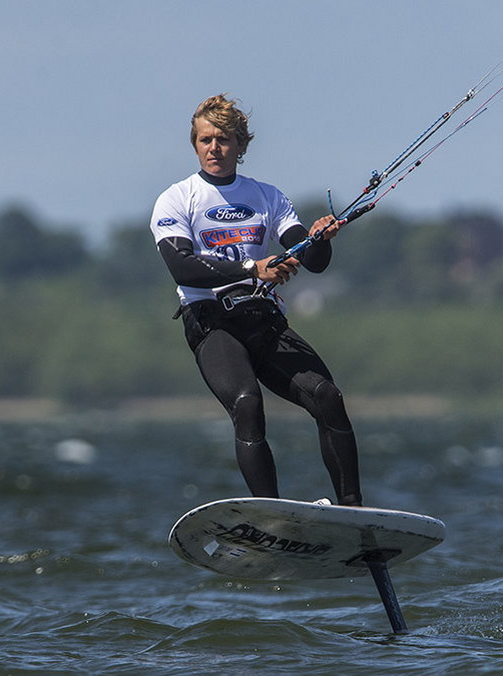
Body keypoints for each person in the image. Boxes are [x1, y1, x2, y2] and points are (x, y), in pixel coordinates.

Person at [150, 94, 363, 507]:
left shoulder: (268, 197)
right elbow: (182, 266)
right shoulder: (177, 199)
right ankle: (273, 513)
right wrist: (253, 268)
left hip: (263, 320)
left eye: (225, 140)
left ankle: (353, 511)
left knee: (328, 397)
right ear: (195, 144)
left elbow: (311, 260)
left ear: (241, 146)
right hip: (211, 323)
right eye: (206, 139)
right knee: (248, 405)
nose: (215, 148)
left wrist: (318, 239)